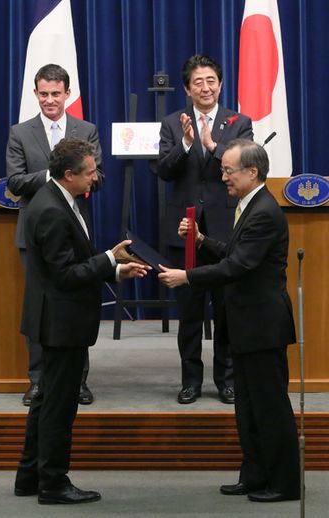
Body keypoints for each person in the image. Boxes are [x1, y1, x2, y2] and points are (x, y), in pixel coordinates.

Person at [159, 139, 300, 502]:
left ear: (252, 173)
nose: (222, 177)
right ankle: (254, 475)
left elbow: (238, 266)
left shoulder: (265, 211)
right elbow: (234, 253)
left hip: (263, 326)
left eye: (228, 170)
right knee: (248, 407)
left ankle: (283, 483)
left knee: (269, 407)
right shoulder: (248, 205)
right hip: (245, 324)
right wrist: (202, 238)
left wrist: (187, 277)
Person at [14, 138, 149, 505]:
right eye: (90, 172)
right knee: (60, 406)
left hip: (57, 318)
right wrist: (108, 259)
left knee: (46, 401)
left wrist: (115, 268)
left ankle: (29, 476)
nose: (95, 178)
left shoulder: (57, 199)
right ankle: (53, 484)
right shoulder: (53, 210)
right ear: (69, 174)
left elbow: (72, 264)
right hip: (61, 322)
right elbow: (65, 275)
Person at [157, 54, 253, 405]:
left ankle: (226, 379)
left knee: (226, 308)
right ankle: (191, 381)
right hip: (185, 232)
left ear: (220, 84)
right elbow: (164, 171)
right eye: (198, 82)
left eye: (211, 80)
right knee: (190, 312)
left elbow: (246, 164)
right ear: (187, 88)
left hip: (225, 232)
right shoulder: (172, 123)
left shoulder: (238, 121)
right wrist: (185, 144)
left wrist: (213, 146)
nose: (205, 87)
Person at [6, 64, 103, 406]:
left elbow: (97, 177)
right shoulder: (20, 132)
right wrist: (57, 175)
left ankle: (78, 381)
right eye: (43, 93)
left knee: (75, 305)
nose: (49, 100)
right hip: (34, 233)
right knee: (40, 306)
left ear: (67, 94)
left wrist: (66, 176)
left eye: (55, 93)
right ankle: (38, 381)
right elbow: (15, 183)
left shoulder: (86, 129)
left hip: (74, 231)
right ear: (35, 94)